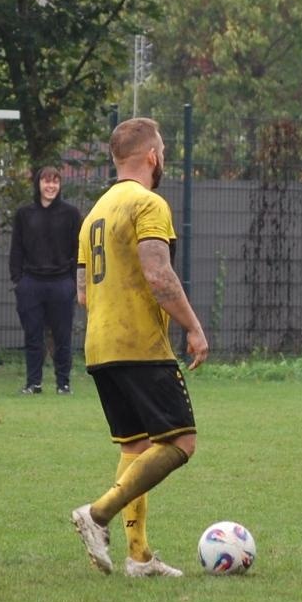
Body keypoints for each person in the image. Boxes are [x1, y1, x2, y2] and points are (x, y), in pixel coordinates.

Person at [69, 117, 208, 578]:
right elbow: (158, 274)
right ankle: (97, 513)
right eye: (162, 150)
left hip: (99, 346)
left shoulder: (95, 213)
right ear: (151, 156)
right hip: (139, 345)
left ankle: (139, 556)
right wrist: (193, 327)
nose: (162, 157)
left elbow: (82, 292)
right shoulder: (148, 203)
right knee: (181, 442)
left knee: (136, 447)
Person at [10, 165, 82, 395]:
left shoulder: (71, 214)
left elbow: (78, 249)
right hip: (30, 283)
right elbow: (16, 249)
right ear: (38, 184)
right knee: (32, 336)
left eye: (55, 182)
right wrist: (18, 281)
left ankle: (63, 384)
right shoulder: (24, 214)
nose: (51, 186)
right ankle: (34, 383)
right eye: (46, 181)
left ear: (60, 185)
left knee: (62, 336)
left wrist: (73, 283)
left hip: (62, 283)